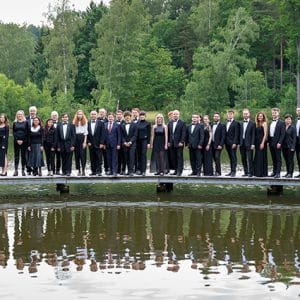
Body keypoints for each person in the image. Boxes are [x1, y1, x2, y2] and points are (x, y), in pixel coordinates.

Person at [167, 110, 186, 176]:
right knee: (173, 157)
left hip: (179, 143)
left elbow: (183, 133)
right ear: (173, 115)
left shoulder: (182, 123)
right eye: (174, 114)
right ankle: (175, 170)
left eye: (176, 114)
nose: (175, 115)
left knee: (179, 157)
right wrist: (168, 142)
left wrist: (182, 142)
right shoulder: (170, 123)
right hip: (171, 143)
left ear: (179, 115)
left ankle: (179, 171)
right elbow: (169, 133)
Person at [87, 110, 105, 176]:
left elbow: (103, 134)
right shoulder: (87, 123)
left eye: (94, 114)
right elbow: (86, 134)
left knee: (99, 158)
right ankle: (93, 171)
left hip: (98, 144)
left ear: (97, 115)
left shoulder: (101, 123)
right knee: (92, 158)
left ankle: (99, 171)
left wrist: (102, 143)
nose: (93, 115)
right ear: (90, 115)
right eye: (92, 114)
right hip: (91, 144)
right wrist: (87, 142)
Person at [268, 107, 285, 178]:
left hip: (277, 142)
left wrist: (280, 142)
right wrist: (268, 142)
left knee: (278, 158)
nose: (274, 114)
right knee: (273, 158)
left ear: (278, 113)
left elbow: (283, 134)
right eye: (273, 113)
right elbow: (269, 133)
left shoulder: (281, 123)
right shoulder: (270, 122)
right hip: (271, 142)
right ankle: (274, 171)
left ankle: (278, 173)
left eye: (275, 113)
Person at [121, 111, 138, 176]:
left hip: (132, 144)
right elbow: (121, 135)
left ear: (130, 117)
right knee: (126, 157)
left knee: (131, 157)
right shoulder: (122, 125)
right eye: (126, 117)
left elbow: (135, 135)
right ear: (124, 118)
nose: (127, 118)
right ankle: (127, 171)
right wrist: (124, 142)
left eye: (128, 117)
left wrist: (130, 142)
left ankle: (131, 171)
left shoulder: (134, 125)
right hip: (125, 144)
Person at [239, 109, 255, 177]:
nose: (245, 115)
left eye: (246, 113)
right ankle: (245, 172)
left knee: (249, 158)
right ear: (243, 115)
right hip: (242, 143)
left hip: (249, 144)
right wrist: (238, 143)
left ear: (249, 114)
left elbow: (253, 134)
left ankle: (251, 173)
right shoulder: (241, 123)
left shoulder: (252, 123)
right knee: (243, 158)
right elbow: (239, 134)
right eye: (244, 114)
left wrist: (253, 144)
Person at [12, 110, 28, 176]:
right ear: (17, 115)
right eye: (18, 114)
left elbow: (27, 132)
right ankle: (16, 170)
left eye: (21, 114)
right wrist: (17, 140)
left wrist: (22, 140)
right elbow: (14, 132)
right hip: (16, 142)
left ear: (23, 115)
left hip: (24, 142)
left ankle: (23, 170)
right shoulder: (15, 123)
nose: (19, 115)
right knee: (16, 156)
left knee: (23, 156)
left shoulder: (26, 122)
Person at [73, 110, 88, 176]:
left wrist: (85, 142)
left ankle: (83, 170)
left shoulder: (85, 122)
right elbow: (73, 133)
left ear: (83, 115)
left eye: (81, 114)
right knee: (77, 155)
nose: (80, 115)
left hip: (82, 138)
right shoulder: (74, 122)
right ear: (77, 115)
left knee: (83, 155)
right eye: (78, 114)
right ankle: (78, 170)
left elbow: (86, 133)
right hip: (76, 138)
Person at [225, 110, 239, 177]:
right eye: (228, 114)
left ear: (233, 115)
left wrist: (235, 143)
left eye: (231, 114)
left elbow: (237, 134)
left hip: (233, 144)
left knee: (233, 157)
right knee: (230, 157)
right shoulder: (226, 123)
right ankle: (231, 171)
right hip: (227, 143)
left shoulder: (236, 123)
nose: (229, 115)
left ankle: (234, 171)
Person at [253, 112, 268, 177]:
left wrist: (262, 143)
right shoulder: (257, 124)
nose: (260, 117)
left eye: (261, 116)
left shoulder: (264, 123)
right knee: (257, 157)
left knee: (261, 157)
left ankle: (262, 173)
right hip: (257, 142)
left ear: (263, 117)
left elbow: (265, 134)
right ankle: (256, 173)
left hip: (262, 142)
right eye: (259, 116)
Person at [136, 111, 151, 176]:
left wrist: (148, 143)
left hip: (144, 141)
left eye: (143, 115)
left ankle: (143, 171)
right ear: (139, 116)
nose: (142, 116)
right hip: (137, 141)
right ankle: (139, 169)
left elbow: (149, 133)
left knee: (143, 154)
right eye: (141, 115)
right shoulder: (137, 123)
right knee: (138, 155)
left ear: (145, 116)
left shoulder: (147, 123)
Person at [115, 110, 126, 175]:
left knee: (124, 157)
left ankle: (123, 170)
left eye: (120, 114)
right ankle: (118, 170)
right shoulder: (114, 122)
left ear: (122, 115)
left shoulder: (125, 122)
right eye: (117, 114)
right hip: (116, 143)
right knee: (117, 157)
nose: (119, 115)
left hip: (123, 143)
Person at [295, 107, 300, 178]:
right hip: (296, 141)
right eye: (297, 111)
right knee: (298, 157)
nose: (298, 112)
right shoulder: (295, 120)